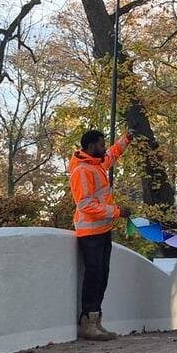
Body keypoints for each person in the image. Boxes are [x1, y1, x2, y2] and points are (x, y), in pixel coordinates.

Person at [69, 128, 129, 341]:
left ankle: (96, 319)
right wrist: (117, 211)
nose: (105, 149)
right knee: (94, 275)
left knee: (102, 275)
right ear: (91, 146)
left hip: (103, 230)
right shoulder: (82, 171)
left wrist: (126, 139)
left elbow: (113, 154)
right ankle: (87, 322)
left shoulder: (97, 164)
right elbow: (85, 204)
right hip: (90, 232)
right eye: (101, 145)